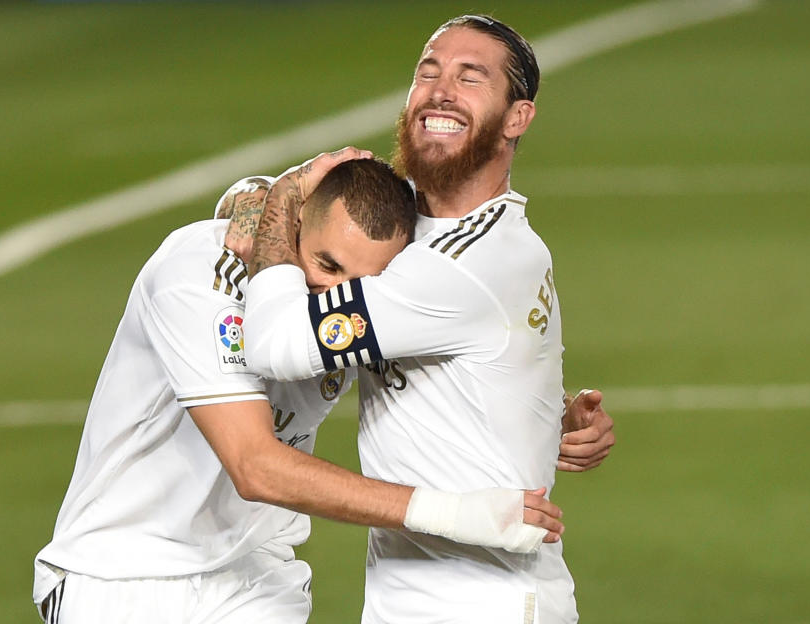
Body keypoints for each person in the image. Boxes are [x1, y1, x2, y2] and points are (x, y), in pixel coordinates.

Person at [32, 158, 567, 624]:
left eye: (355, 283)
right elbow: (256, 467)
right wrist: (458, 515)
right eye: (325, 264)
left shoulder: (341, 314)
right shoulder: (198, 278)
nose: (331, 294)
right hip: (123, 575)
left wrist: (550, 417)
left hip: (257, 577)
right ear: (291, 226)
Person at [241, 14, 612, 623]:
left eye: (471, 78)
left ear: (517, 118)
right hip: (417, 594)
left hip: (482, 603)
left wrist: (282, 203)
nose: (441, 90)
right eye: (428, 72)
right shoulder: (410, 228)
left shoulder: (466, 264)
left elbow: (277, 344)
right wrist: (551, 413)